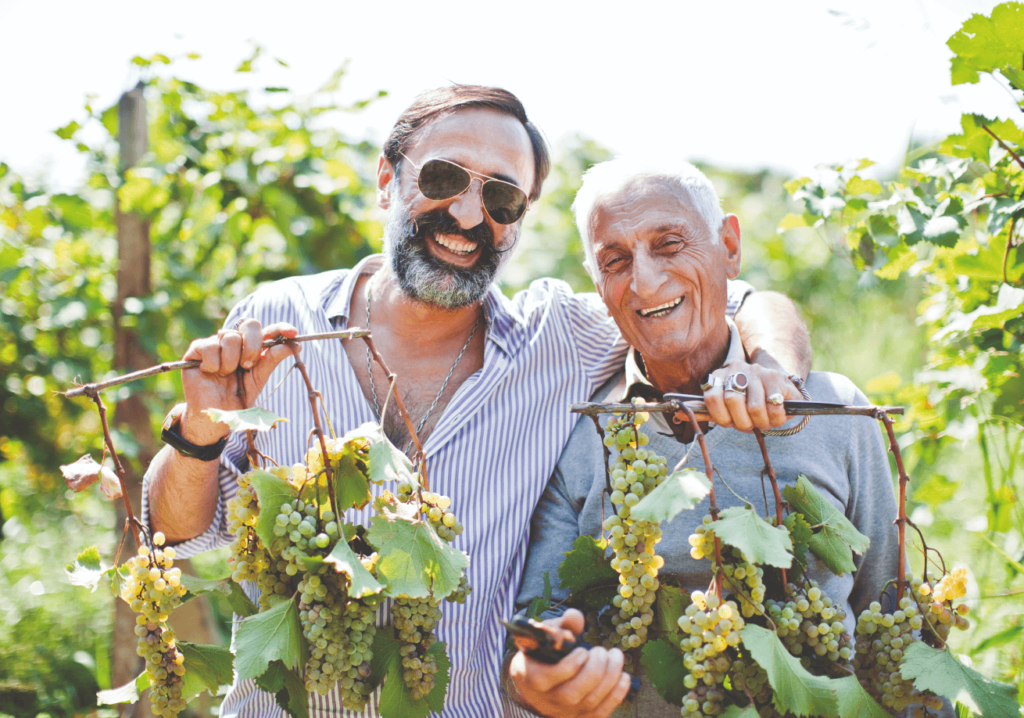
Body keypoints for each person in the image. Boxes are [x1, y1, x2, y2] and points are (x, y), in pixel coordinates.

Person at [142, 87, 811, 717]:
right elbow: (175, 533)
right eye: (442, 179)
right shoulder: (281, 321)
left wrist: (773, 366)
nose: (468, 215)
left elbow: (740, 298)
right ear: (386, 180)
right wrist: (199, 429)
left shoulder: (560, 341)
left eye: (502, 197)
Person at [506, 156, 900, 717]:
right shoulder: (586, 434)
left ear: (729, 247)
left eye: (669, 244)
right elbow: (539, 620)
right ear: (597, 283)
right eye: (615, 260)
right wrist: (548, 668)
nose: (644, 279)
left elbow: (890, 617)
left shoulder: (835, 412)